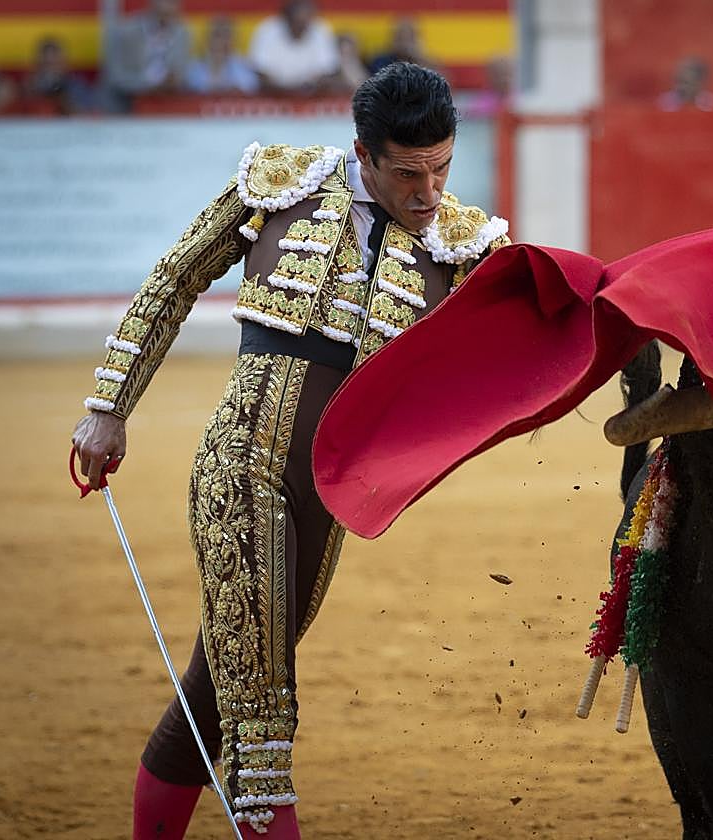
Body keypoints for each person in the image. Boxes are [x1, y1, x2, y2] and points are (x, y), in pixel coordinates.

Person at [70, 61, 510, 837]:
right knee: (264, 703)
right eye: (408, 174)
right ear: (363, 152)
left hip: (330, 496)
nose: (429, 193)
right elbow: (176, 281)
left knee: (220, 689)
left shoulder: (462, 244)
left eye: (442, 169)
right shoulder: (284, 184)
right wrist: (109, 408)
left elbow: (517, 348)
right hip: (240, 464)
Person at [103, 0, 191, 112]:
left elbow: (181, 73)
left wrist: (174, 81)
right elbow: (114, 77)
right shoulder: (124, 31)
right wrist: (150, 85)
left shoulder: (181, 33)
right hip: (124, 110)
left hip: (164, 110)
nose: (171, 6)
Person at [248, 0, 339, 94]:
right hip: (273, 97)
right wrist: (294, 90)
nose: (303, 25)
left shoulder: (320, 29)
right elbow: (261, 75)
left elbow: (327, 72)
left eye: (307, 19)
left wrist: (304, 88)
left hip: (310, 97)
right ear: (286, 17)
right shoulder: (267, 29)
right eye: (298, 21)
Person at [186, 16, 259, 95]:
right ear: (208, 39)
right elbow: (190, 86)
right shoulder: (194, 66)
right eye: (217, 35)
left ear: (233, 40)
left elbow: (250, 86)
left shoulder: (244, 65)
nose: (221, 41)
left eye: (226, 36)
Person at [368, 16, 432, 75]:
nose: (404, 42)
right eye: (400, 37)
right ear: (392, 38)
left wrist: (418, 59)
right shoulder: (380, 62)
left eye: (409, 37)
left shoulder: (425, 62)